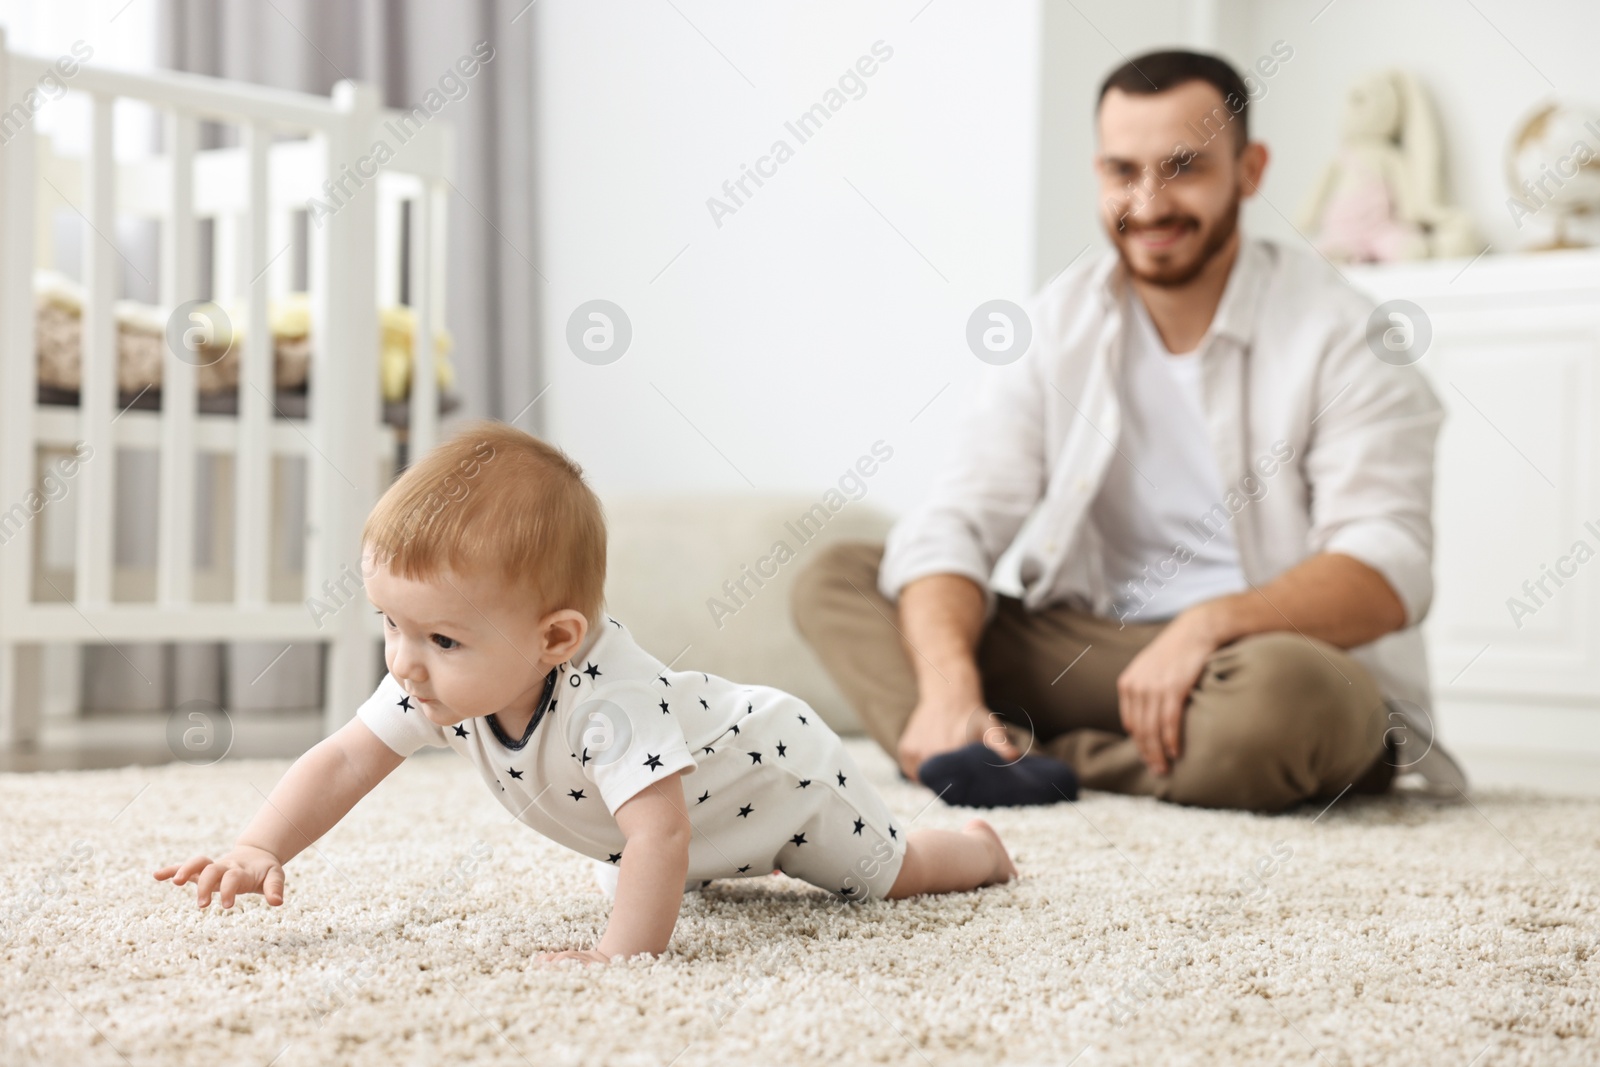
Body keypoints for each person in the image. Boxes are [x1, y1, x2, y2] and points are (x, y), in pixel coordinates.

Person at [792, 49, 1467, 813]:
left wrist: (1208, 626)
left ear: (1250, 171)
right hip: (1094, 651)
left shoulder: (1348, 336)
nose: (1148, 204)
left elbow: (1387, 567)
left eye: (1184, 167)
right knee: (840, 577)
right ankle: (970, 726)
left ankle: (1026, 754)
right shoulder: (1058, 323)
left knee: (1287, 702)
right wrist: (949, 680)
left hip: (1261, 663)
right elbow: (959, 519)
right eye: (1122, 171)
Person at [154, 422, 1015, 962]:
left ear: (556, 639)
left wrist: (619, 955)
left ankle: (977, 845)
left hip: (780, 775)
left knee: (885, 873)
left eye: (441, 637)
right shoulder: (440, 681)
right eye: (391, 623)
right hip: (698, 823)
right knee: (648, 867)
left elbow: (662, 829)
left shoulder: (610, 701)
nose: (405, 662)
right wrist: (260, 844)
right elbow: (345, 758)